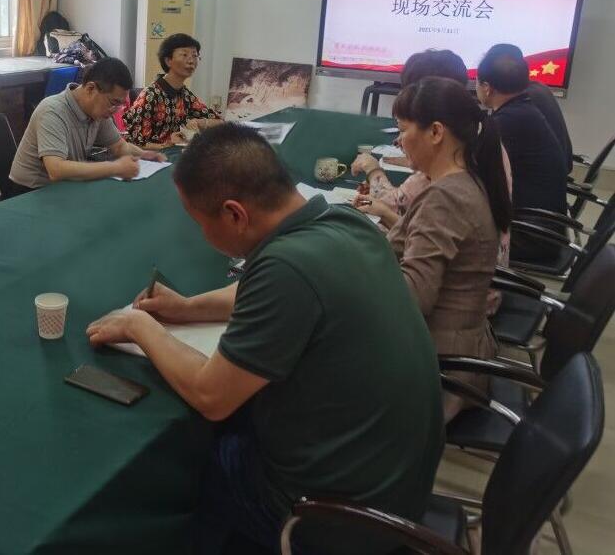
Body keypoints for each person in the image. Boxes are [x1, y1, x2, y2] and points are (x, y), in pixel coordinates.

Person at [86, 124, 444, 555]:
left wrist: (139, 327)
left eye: (200, 223)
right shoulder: (344, 221)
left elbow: (211, 395)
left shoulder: (285, 268)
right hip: (398, 486)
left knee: (191, 461)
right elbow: (259, 290)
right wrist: (188, 307)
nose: (202, 235)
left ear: (235, 215)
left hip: (338, 518)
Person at [360, 78, 511, 421]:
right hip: (459, 349)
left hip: (440, 369)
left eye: (403, 130)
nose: (399, 141)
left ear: (436, 132)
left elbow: (413, 296)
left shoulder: (444, 198)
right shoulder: (464, 181)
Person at [9, 58, 165, 190]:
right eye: (114, 103)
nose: (115, 110)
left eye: (120, 105)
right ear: (91, 88)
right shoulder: (52, 111)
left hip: (65, 188)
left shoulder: (98, 112)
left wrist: (143, 155)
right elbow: (56, 169)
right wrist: (115, 168)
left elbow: (118, 146)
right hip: (30, 192)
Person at [476, 44, 568, 262]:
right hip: (543, 229)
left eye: (477, 83)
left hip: (528, 237)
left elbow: (469, 172)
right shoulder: (524, 111)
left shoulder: (506, 123)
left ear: (487, 88)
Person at [351, 49, 469, 219]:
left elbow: (394, 205)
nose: (399, 140)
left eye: (404, 129)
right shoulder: (470, 141)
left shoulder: (443, 182)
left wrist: (372, 169)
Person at [122, 33, 222, 148]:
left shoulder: (185, 95)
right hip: (152, 156)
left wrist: (199, 122)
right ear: (168, 61)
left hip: (175, 153)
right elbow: (136, 143)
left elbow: (219, 122)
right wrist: (167, 144)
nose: (191, 61)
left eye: (195, 56)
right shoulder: (150, 95)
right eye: (184, 55)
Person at [487, 43, 573, 174]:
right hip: (555, 170)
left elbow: (493, 154)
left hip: (543, 175)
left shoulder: (520, 101)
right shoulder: (538, 88)